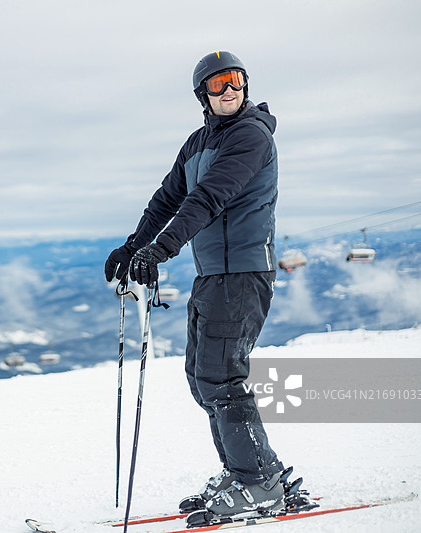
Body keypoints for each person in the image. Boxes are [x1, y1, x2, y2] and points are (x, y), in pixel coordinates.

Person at [104, 51, 287, 520]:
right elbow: (169, 196)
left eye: (236, 80)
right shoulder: (198, 143)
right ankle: (247, 469)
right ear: (201, 95)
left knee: (221, 377)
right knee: (202, 377)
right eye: (218, 83)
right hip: (213, 275)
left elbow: (209, 198)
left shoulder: (251, 136)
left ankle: (257, 483)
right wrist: (133, 246)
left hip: (243, 273)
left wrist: (159, 251)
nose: (230, 90)